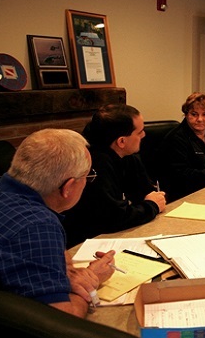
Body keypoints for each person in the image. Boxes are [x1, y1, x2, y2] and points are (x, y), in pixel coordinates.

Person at [0, 128, 116, 318]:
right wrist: (92, 280)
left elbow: (52, 252)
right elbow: (60, 323)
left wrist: (66, 272)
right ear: (68, 187)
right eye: (87, 176)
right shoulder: (36, 225)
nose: (87, 182)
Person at [61, 104, 166, 248]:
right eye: (139, 132)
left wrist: (151, 201)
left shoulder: (128, 155)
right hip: (87, 244)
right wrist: (151, 206)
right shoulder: (95, 164)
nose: (144, 135)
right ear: (121, 141)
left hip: (121, 233)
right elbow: (113, 218)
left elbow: (146, 192)